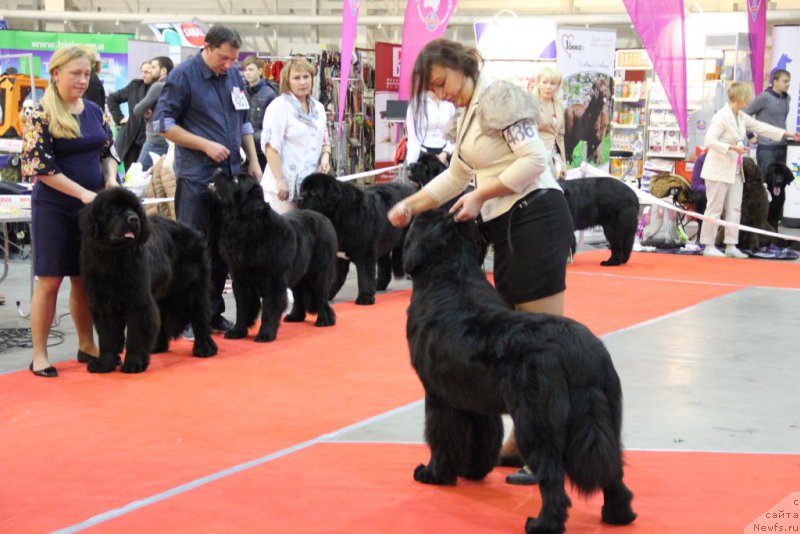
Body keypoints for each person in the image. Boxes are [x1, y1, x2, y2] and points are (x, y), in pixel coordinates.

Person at [387, 39, 574, 484]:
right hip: (510, 226)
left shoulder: (499, 96)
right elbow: (456, 174)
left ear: (461, 65)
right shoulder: (471, 111)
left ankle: (545, 453)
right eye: (432, 91)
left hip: (537, 218)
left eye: (440, 83)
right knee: (516, 348)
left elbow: (534, 160)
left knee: (539, 347)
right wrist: (412, 205)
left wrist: (481, 194)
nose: (440, 93)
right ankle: (522, 440)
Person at [153, 25, 262, 334]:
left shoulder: (235, 77)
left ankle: (211, 313)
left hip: (231, 179)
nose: (228, 65)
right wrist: (204, 144)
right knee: (192, 251)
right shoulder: (183, 76)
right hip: (196, 179)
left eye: (234, 59)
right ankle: (185, 319)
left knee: (222, 252)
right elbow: (163, 124)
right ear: (207, 47)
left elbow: (244, 122)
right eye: (224, 58)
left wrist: (253, 160)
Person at [20, 46, 119, 377]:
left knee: (83, 280)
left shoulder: (95, 110)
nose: (82, 79)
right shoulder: (40, 114)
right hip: (54, 208)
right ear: (56, 73)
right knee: (49, 281)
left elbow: (108, 150)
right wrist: (82, 194)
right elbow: (40, 167)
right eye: (75, 73)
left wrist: (109, 179)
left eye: (87, 74)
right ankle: (39, 354)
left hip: (92, 209)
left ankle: (86, 344)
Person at [700, 82, 797, 258]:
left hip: (736, 171)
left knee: (735, 208)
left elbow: (760, 127)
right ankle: (708, 245)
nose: (750, 100)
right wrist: (731, 148)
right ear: (739, 98)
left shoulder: (741, 117)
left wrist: (787, 134)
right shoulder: (721, 117)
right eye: (747, 97)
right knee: (714, 208)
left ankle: (731, 244)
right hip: (717, 170)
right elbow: (709, 141)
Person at [260, 57, 331, 214]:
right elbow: (271, 147)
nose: (302, 82)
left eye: (306, 77)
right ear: (288, 82)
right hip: (282, 189)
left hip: (309, 188)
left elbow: (325, 139)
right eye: (297, 78)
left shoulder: (319, 108)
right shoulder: (279, 106)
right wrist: (280, 181)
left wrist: (325, 158)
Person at [107, 60, 153, 171]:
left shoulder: (160, 88)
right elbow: (112, 98)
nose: (143, 75)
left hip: (150, 141)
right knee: (131, 178)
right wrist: (119, 118)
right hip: (131, 141)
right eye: (142, 71)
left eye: (147, 72)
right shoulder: (135, 85)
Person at [745, 69, 792, 174]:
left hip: (782, 146)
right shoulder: (764, 97)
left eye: (789, 81)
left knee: (780, 183)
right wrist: (750, 135)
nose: (788, 84)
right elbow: (744, 115)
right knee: (765, 181)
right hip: (767, 148)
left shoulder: (787, 98)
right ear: (775, 82)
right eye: (785, 81)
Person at [132, 56, 174, 171]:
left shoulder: (158, 86)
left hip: (155, 141)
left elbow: (137, 110)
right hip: (170, 139)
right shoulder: (174, 85)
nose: (150, 70)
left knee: (136, 177)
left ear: (163, 70)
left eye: (154, 67)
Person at [242, 55, 279, 171]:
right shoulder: (241, 92)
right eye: (245, 70)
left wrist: (254, 138)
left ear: (260, 70)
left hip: (263, 151)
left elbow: (274, 126)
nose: (247, 73)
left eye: (251, 69)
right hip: (243, 149)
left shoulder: (270, 94)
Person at [532, 65, 566, 178]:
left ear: (558, 86)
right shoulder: (532, 104)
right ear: (538, 83)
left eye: (552, 83)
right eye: (545, 82)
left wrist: (563, 162)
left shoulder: (559, 105)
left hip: (557, 156)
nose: (548, 87)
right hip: (538, 157)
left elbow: (560, 135)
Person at [405, 90, 455, 164]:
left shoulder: (450, 102)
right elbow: (413, 138)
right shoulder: (416, 103)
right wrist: (411, 164)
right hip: (423, 156)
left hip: (446, 156)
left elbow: (454, 133)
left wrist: (446, 152)